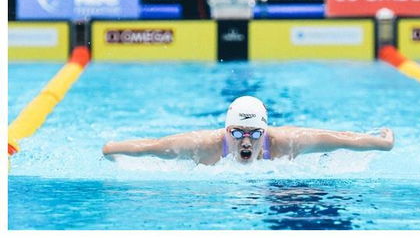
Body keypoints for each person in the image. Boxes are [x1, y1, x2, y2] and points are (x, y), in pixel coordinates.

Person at [102, 96, 394, 165]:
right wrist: (111, 151)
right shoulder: (201, 146)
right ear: (226, 129)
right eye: (237, 132)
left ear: (265, 133)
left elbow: (340, 139)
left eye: (254, 133)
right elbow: (150, 145)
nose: (245, 140)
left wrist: (383, 144)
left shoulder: (286, 142)